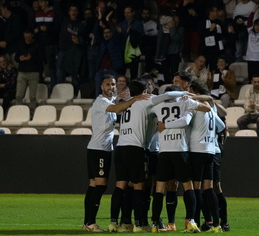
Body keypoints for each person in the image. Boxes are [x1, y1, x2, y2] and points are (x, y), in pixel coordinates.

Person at [109, 79, 193, 233]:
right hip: (136, 148)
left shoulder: (128, 103)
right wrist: (186, 93)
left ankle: (117, 222)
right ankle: (140, 223)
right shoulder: (145, 102)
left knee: (121, 186)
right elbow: (168, 94)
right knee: (140, 186)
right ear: (144, 92)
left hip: (120, 147)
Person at [83, 74, 150, 232]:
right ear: (101, 87)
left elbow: (117, 105)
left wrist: (122, 98)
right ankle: (90, 223)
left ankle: (88, 223)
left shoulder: (108, 101)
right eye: (107, 84)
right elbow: (117, 108)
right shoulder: (100, 102)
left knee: (93, 186)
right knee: (100, 186)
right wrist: (135, 98)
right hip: (99, 149)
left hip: (101, 148)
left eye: (113, 84)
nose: (111, 87)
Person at [150, 84, 211, 233]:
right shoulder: (186, 102)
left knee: (159, 188)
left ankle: (154, 224)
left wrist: (165, 124)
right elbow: (207, 108)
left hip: (164, 151)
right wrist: (191, 97)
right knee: (187, 186)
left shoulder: (157, 105)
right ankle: (190, 220)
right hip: (180, 150)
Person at [14, 28, 44, 115]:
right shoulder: (20, 44)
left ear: (32, 36)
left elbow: (41, 58)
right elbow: (16, 57)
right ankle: (18, 112)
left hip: (34, 72)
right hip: (22, 72)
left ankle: (31, 113)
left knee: (32, 96)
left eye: (29, 37)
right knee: (19, 95)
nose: (27, 39)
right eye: (26, 37)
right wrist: (19, 58)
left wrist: (32, 58)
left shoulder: (38, 44)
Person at [246, 4, 259, 82]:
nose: (257, 27)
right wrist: (254, 10)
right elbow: (249, 20)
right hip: (251, 58)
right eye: (256, 25)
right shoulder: (250, 32)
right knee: (251, 77)